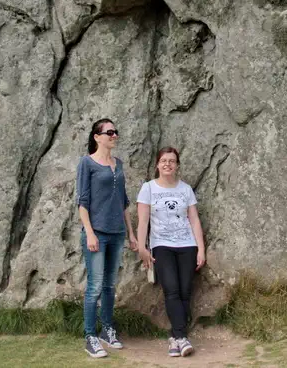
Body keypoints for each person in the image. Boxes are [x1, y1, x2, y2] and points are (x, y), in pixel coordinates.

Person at [76, 118, 138, 358]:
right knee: (94, 287)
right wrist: (90, 232)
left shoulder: (119, 165)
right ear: (97, 137)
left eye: (115, 132)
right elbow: (82, 202)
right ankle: (90, 336)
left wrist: (131, 234)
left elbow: (123, 203)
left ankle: (107, 330)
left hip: (117, 233)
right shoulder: (87, 163)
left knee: (110, 286)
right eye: (109, 132)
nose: (114, 135)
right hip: (97, 233)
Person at [136, 147, 206, 357]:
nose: (168, 164)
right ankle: (182, 337)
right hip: (162, 245)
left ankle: (175, 338)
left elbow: (194, 219)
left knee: (185, 291)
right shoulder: (148, 188)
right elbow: (143, 221)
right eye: (164, 161)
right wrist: (142, 248)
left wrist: (201, 248)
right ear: (157, 164)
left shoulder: (185, 189)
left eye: (172, 161)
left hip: (187, 245)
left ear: (177, 165)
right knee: (172, 290)